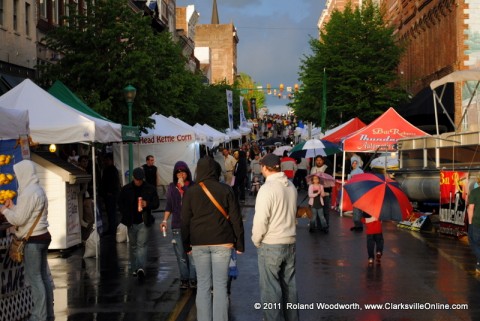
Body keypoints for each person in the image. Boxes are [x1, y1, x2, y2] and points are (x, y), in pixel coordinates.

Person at [181, 157, 244, 321]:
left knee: (202, 286)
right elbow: (236, 218)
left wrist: (186, 244)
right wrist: (240, 243)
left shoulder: (190, 192)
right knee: (220, 287)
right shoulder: (226, 190)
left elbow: (185, 221)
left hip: (198, 242)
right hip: (222, 241)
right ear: (216, 171)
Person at [0, 160, 54, 321]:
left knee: (35, 278)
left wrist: (4, 210)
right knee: (43, 277)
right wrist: (12, 208)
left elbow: (19, 220)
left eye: (18, 174)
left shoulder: (29, 192)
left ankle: (39, 316)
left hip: (33, 240)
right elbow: (27, 214)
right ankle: (48, 314)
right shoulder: (38, 190)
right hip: (43, 236)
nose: (17, 177)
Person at [252, 153, 299, 321]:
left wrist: (256, 240)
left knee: (271, 291)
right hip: (289, 241)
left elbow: (260, 220)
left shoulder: (267, 189)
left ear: (265, 167)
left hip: (271, 243)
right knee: (289, 288)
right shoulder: (291, 187)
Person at [160, 161, 197, 289]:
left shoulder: (193, 186)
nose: (181, 174)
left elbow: (194, 202)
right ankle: (184, 278)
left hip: (191, 227)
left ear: (187, 173)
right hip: (176, 225)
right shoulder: (171, 187)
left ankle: (193, 279)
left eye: (183, 172)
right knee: (181, 255)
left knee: (191, 255)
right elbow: (169, 206)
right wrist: (164, 220)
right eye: (178, 172)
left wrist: (184, 188)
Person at [118, 167, 159, 278]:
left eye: (140, 179)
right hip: (131, 221)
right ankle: (135, 268)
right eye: (137, 179)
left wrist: (147, 204)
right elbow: (120, 204)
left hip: (143, 221)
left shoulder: (149, 188)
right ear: (133, 178)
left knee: (141, 245)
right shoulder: (126, 189)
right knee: (134, 246)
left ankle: (140, 267)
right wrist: (125, 214)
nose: (138, 181)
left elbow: (156, 203)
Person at [310, 156, 333, 227]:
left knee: (325, 210)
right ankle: (319, 225)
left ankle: (326, 225)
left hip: (325, 192)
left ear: (323, 161)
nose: (319, 161)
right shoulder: (313, 168)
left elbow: (327, 179)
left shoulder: (326, 168)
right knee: (316, 211)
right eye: (317, 160)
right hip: (315, 194)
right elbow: (311, 179)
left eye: (320, 160)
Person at [100, 153, 120, 235]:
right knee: (111, 212)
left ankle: (112, 229)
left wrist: (110, 192)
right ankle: (112, 228)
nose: (105, 161)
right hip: (110, 194)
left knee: (111, 212)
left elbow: (113, 183)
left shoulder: (111, 170)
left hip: (111, 195)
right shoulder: (109, 169)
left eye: (107, 160)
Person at [467, 180, 480, 273]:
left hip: (476, 223)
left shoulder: (475, 192)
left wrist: (470, 224)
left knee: (473, 241)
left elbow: (470, 209)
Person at [348, 159, 364, 231]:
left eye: (355, 163)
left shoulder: (359, 171)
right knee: (355, 208)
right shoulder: (352, 171)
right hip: (354, 190)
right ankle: (357, 224)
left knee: (357, 208)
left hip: (358, 190)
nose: (354, 164)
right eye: (353, 163)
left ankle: (359, 225)